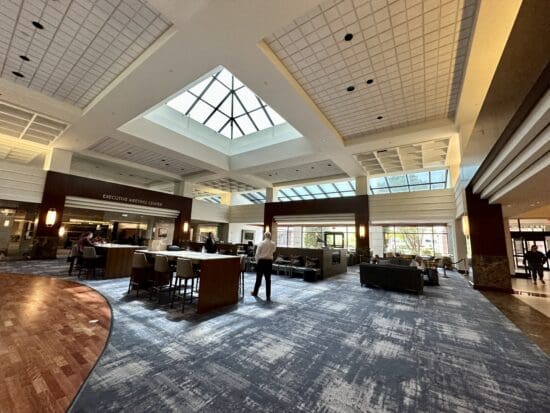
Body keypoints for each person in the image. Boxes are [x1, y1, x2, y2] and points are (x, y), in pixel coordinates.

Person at [251, 232, 276, 302]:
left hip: (261, 262)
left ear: (265, 236)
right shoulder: (273, 244)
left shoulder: (261, 243)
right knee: (268, 280)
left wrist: (257, 262)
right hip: (269, 262)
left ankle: (255, 292)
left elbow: (257, 254)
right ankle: (268, 296)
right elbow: (273, 251)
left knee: (258, 278)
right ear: (270, 236)